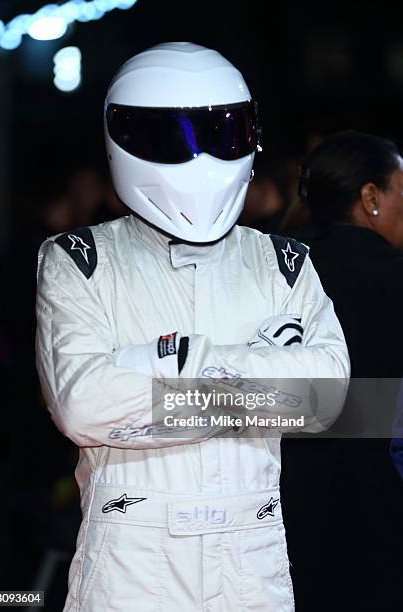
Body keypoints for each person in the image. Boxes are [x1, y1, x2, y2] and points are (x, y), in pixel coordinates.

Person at [35, 43, 349, 611]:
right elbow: (83, 408)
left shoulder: (283, 262)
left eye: (219, 134)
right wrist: (256, 361)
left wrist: (152, 364)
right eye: (174, 138)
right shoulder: (82, 261)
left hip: (251, 557)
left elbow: (325, 400)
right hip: (129, 559)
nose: (200, 158)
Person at [281, 130, 403, 611]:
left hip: (284, 514)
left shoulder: (277, 270)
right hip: (382, 515)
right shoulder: (395, 278)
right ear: (370, 197)